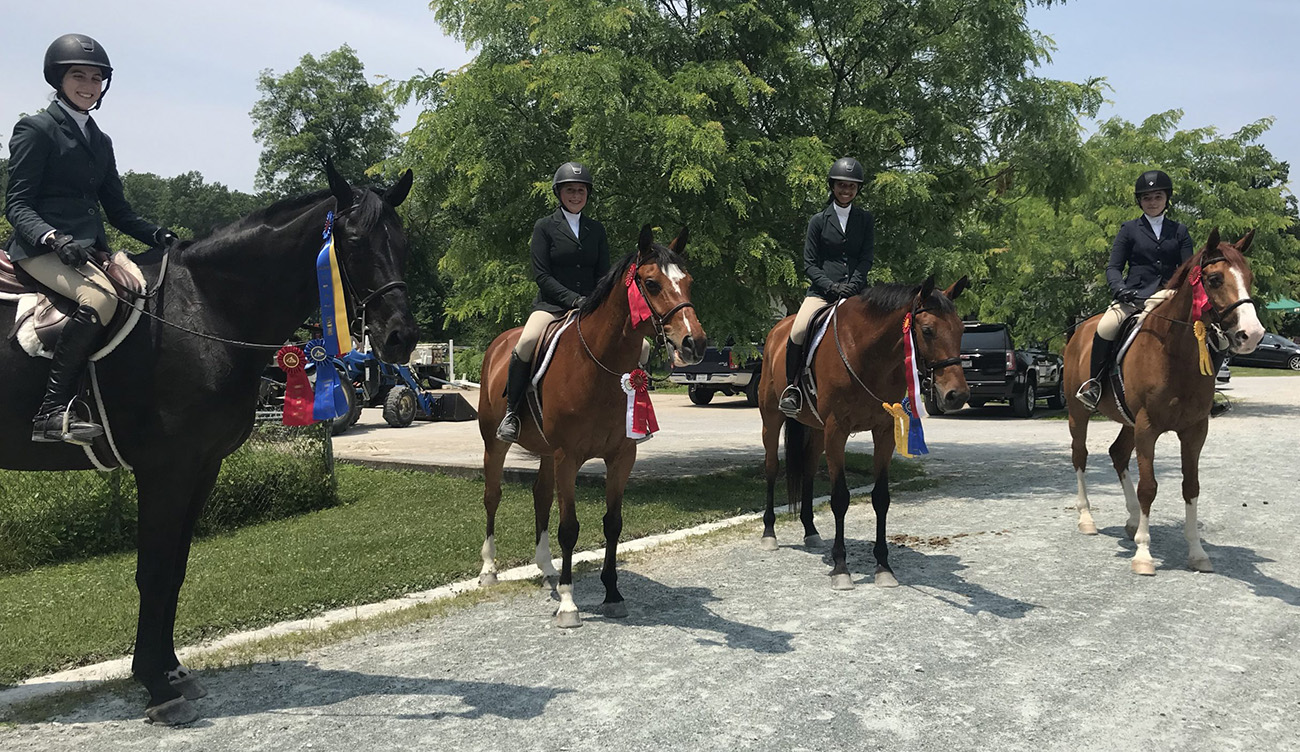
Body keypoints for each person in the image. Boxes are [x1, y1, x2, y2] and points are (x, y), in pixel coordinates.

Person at [4, 34, 176, 443]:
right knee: (99, 297)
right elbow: (18, 204)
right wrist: (52, 238)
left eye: (96, 78)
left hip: (84, 250)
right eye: (78, 76)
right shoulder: (37, 129)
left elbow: (118, 211)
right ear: (59, 80)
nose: (88, 85)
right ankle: (50, 413)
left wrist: (157, 233)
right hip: (39, 248)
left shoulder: (100, 141)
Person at [497, 161, 618, 443]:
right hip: (552, 307)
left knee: (641, 346)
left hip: (591, 307)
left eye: (580, 190)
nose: (576, 196)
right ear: (559, 193)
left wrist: (597, 302)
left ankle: (632, 416)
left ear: (587, 194)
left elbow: (604, 274)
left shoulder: (596, 230)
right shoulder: (544, 227)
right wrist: (573, 300)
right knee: (526, 342)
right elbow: (541, 274)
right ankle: (512, 413)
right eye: (570, 190)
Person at [1076, 169, 1193, 411]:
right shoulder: (1129, 229)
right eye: (1147, 198)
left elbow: (1187, 269)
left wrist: (1178, 292)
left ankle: (1205, 392)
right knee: (1106, 326)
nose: (1152, 202)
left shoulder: (1179, 231)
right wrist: (1120, 288)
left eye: (1157, 197)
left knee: (1207, 331)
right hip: (1135, 296)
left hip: (1168, 296)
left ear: (1166, 199)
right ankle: (1094, 385)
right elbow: (1114, 267)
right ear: (1139, 201)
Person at [778, 157, 875, 417]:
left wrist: (853, 284)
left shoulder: (864, 219)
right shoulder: (818, 221)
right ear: (833, 186)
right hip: (822, 292)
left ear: (857, 190)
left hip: (858, 291)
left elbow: (866, 258)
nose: (847, 190)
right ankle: (793, 388)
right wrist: (831, 286)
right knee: (798, 330)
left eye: (852, 187)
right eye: (842, 185)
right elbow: (809, 263)